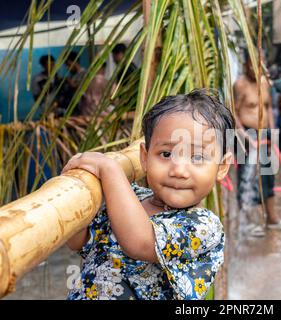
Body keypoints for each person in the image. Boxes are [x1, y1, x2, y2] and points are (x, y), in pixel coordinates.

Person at [64, 89, 233, 299]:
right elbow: (80, 241)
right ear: (145, 157)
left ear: (222, 167)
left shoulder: (204, 226)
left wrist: (110, 170)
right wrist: (74, 194)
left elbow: (140, 242)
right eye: (166, 154)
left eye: (198, 157)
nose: (179, 171)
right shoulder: (130, 197)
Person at [233, 51, 281, 237]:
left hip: (265, 135)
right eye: (253, 64)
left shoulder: (264, 82)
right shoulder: (240, 84)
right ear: (246, 64)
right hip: (244, 135)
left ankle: (272, 219)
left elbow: (268, 108)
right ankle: (247, 222)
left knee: (268, 177)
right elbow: (234, 113)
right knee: (246, 180)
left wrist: (272, 131)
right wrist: (246, 138)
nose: (257, 68)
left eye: (260, 63)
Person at [63, 51, 87, 115]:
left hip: (84, 109)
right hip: (74, 110)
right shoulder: (72, 76)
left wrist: (73, 85)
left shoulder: (85, 74)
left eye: (69, 65)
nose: (68, 68)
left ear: (74, 62)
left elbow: (86, 90)